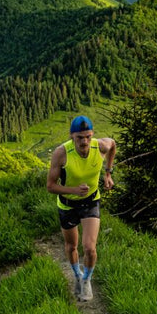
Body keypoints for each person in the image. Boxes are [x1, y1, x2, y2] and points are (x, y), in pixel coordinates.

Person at [47, 115, 116, 301]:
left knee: (90, 248)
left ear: (92, 135)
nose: (84, 141)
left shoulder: (100, 146)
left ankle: (86, 280)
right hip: (67, 204)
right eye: (79, 137)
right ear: (72, 137)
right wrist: (73, 190)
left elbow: (113, 145)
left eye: (88, 136)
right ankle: (76, 275)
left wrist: (108, 173)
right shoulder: (61, 153)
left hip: (91, 201)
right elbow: (50, 186)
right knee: (71, 246)